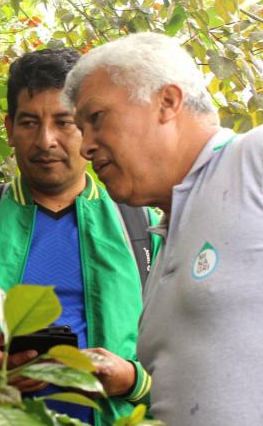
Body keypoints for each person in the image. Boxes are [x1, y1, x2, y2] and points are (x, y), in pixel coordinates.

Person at [0, 48, 160, 425]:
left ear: (88, 128)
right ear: (9, 129)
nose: (45, 141)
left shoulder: (142, 227)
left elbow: (190, 360)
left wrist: (132, 380)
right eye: (29, 123)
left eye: (63, 122)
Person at [63, 32, 263, 425]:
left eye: (96, 118)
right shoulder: (166, 231)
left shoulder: (250, 162)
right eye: (82, 129)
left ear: (167, 102)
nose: (85, 146)